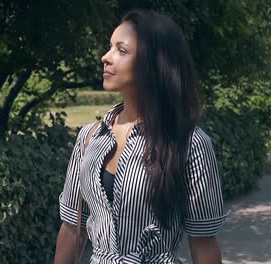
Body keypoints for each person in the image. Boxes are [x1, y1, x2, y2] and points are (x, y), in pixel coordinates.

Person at [54, 9, 229, 264]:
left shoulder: (189, 143)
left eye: (121, 51)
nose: (106, 57)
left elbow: (203, 243)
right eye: (110, 47)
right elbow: (72, 229)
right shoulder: (90, 137)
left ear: (154, 63)